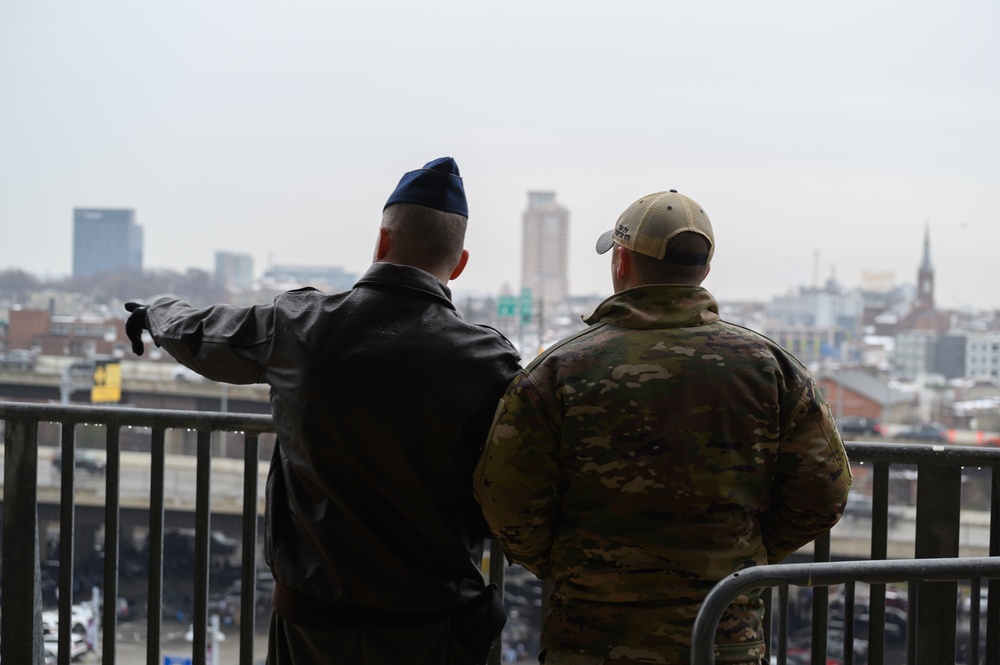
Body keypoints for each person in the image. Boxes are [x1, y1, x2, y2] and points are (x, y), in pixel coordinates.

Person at [124, 157, 522, 665]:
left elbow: (205, 334)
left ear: (381, 242)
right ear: (459, 263)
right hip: (429, 628)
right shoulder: (488, 360)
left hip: (312, 624)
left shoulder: (299, 325)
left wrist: (156, 311)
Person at [473, 189, 852, 665]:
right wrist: (744, 557)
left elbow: (504, 497)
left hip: (592, 636)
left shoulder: (558, 371)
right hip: (721, 635)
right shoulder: (770, 369)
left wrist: (567, 564)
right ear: (704, 272)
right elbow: (824, 493)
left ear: (622, 262)